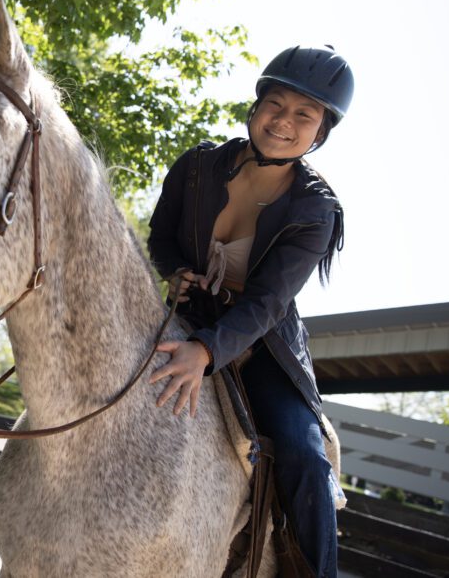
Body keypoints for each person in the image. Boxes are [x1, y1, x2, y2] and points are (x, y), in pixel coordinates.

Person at [146, 45, 353, 578]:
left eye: (303, 115)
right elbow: (162, 237)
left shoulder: (316, 210)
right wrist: (173, 269)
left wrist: (207, 350)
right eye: (275, 105)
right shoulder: (195, 166)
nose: (283, 122)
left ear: (320, 133)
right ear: (255, 105)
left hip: (263, 346)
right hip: (182, 317)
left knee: (305, 455)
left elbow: (268, 302)